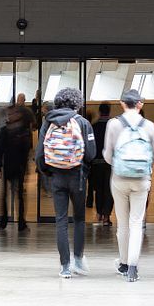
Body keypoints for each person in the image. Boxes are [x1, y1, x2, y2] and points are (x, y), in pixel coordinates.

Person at [102, 89, 154, 283]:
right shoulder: (150, 126)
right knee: (137, 222)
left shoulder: (113, 124)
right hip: (142, 180)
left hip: (119, 179)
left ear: (122, 104)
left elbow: (107, 155)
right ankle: (133, 268)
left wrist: (121, 165)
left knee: (122, 222)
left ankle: (123, 263)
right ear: (140, 104)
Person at [35, 87, 95, 278]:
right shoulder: (83, 123)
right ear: (77, 103)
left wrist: (49, 173)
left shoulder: (48, 122)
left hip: (57, 178)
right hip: (77, 177)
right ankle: (78, 260)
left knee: (61, 221)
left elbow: (39, 155)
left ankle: (65, 267)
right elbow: (91, 154)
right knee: (79, 219)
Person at [0, 105, 32, 231]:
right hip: (9, 166)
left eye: (12, 114)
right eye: (9, 114)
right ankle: (4, 220)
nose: (10, 116)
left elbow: (26, 151)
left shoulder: (24, 131)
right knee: (6, 195)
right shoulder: (6, 130)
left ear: (19, 115)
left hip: (19, 167)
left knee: (19, 195)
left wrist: (25, 169)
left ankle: (21, 221)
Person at [88, 103, 114, 227]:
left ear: (99, 112)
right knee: (109, 190)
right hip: (111, 163)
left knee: (98, 189)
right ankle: (106, 216)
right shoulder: (114, 126)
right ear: (109, 112)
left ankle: (98, 213)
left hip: (97, 162)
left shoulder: (94, 127)